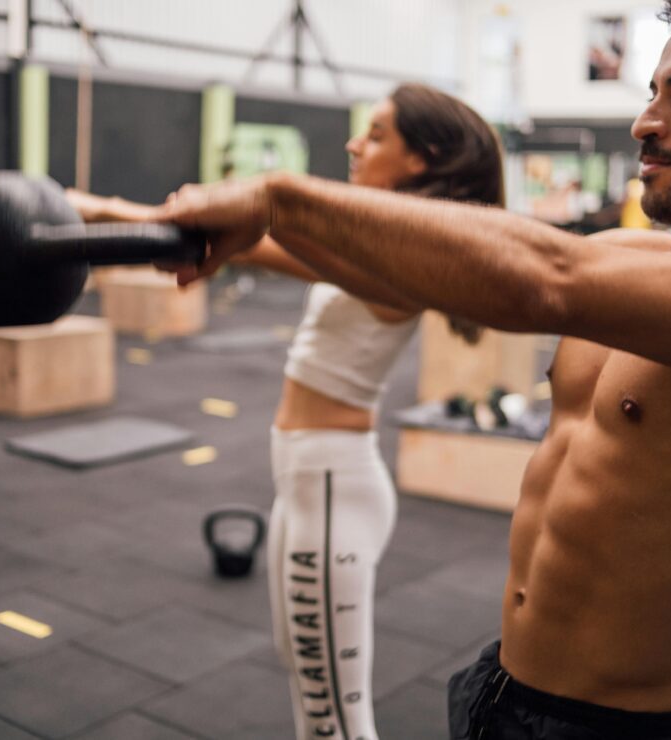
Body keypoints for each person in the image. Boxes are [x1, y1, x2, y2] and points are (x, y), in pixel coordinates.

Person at [154, 1, 671, 737]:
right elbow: (441, 271)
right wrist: (203, 229)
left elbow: (545, 276)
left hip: (617, 726)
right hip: (501, 691)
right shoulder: (642, 262)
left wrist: (280, 199)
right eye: (651, 93)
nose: (647, 123)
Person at [66, 84, 504, 739]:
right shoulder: (366, 244)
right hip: (311, 483)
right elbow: (245, 240)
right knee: (311, 695)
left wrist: (108, 208)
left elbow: (279, 229)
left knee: (335, 721)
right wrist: (96, 212)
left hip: (333, 488)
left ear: (424, 158)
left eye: (378, 134)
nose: (355, 143)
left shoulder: (405, 259)